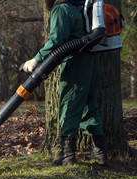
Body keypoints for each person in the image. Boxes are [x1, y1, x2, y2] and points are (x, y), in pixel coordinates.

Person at [22, 0, 108, 166]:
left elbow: (56, 40)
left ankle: (68, 157)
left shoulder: (62, 9)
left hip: (76, 62)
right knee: (89, 105)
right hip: (91, 61)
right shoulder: (79, 6)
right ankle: (101, 154)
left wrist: (36, 59)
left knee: (69, 105)